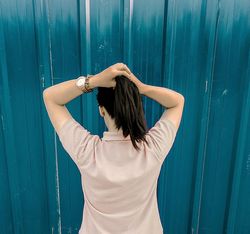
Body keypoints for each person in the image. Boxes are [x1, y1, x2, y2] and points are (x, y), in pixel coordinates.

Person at [43, 62, 185, 234]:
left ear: (101, 110)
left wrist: (93, 81)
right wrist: (141, 88)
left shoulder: (86, 151)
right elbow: (177, 102)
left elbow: (50, 97)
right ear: (136, 107)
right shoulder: (153, 148)